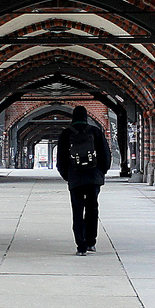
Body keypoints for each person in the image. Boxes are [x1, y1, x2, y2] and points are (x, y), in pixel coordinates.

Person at [56, 105, 111, 255]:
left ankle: (80, 246)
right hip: (93, 178)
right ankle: (91, 242)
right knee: (92, 209)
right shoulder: (95, 132)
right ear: (86, 117)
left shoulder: (66, 134)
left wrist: (68, 176)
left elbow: (60, 160)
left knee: (77, 210)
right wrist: (101, 173)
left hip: (75, 178)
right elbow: (106, 155)